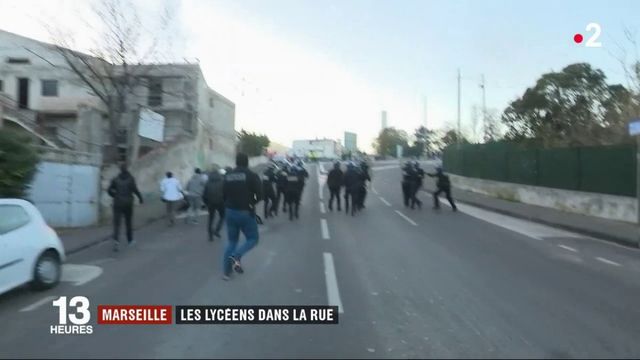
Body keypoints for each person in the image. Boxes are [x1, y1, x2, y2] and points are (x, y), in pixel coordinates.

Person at [222, 153, 263, 280]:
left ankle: (226, 273)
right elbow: (260, 194)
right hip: (245, 212)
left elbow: (223, 193)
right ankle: (237, 255)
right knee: (253, 239)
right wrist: (252, 203)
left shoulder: (228, 175)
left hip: (230, 212)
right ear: (247, 162)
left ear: (236, 162)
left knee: (232, 242)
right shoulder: (251, 175)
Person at [107, 164, 143, 252]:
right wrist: (140, 198)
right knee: (128, 222)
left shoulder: (115, 179)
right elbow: (135, 190)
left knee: (117, 223)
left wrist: (114, 195)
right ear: (127, 169)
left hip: (118, 202)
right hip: (128, 203)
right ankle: (130, 240)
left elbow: (109, 190)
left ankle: (116, 241)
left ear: (120, 170)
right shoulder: (131, 179)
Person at [203, 167, 225, 241]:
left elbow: (204, 195)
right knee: (223, 216)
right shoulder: (222, 181)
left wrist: (206, 203)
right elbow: (226, 193)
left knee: (211, 219)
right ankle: (217, 230)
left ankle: (210, 236)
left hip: (211, 203)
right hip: (221, 202)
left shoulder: (207, 183)